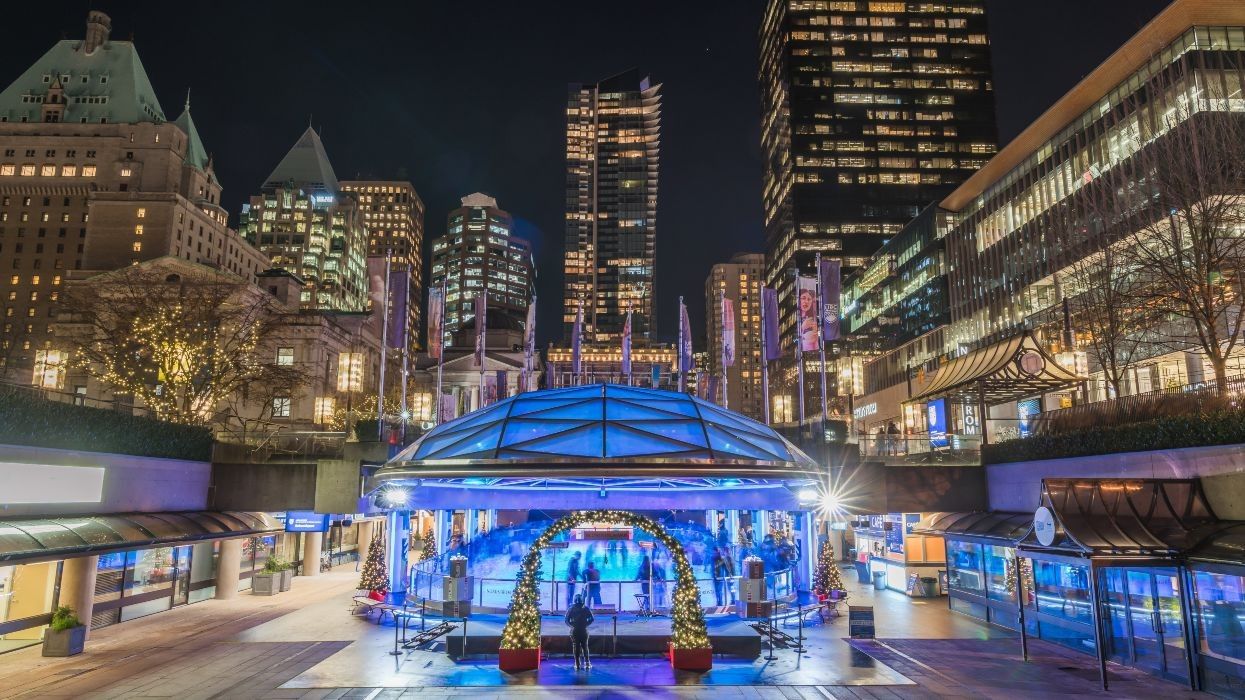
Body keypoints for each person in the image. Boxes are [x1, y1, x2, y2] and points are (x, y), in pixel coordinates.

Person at [564, 593, 595, 670]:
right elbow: (592, 619)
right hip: (583, 630)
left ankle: (577, 663)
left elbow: (566, 620)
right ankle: (587, 663)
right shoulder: (585, 608)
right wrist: (586, 624)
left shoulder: (571, 609)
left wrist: (572, 625)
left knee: (576, 647)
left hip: (575, 630)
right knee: (585, 646)